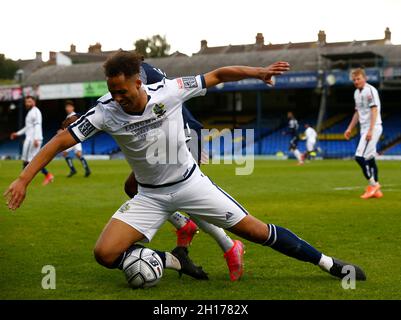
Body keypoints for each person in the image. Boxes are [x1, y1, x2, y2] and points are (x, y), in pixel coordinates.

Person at [5, 51, 366, 286]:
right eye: (111, 91)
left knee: (258, 231)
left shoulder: (170, 90)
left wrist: (259, 72)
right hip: (150, 196)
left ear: (138, 82)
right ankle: (173, 262)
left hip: (192, 184)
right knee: (105, 254)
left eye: (122, 91)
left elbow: (218, 74)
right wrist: (24, 178)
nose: (117, 97)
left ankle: (330, 264)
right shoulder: (104, 111)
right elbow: (60, 141)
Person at [62, 61, 245, 281]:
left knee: (183, 192)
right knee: (132, 186)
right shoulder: (134, 72)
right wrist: (81, 120)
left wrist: (80, 118)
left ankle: (228, 245)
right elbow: (114, 106)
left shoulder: (138, 72)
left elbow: (127, 106)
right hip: (164, 141)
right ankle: (183, 224)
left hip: (182, 136)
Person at [344, 68, 383, 199]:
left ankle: (373, 185)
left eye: (358, 79)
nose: (356, 81)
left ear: (364, 78)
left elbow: (374, 110)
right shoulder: (356, 93)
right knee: (370, 158)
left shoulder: (370, 90)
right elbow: (357, 112)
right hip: (364, 128)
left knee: (359, 157)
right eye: (354, 80)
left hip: (373, 127)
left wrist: (371, 130)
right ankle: (376, 191)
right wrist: (349, 128)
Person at [9, 96, 54, 185]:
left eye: (29, 101)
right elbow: (28, 127)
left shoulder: (36, 112)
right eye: (26, 102)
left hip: (33, 139)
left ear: (34, 102)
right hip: (30, 139)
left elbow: (37, 125)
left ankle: (23, 180)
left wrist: (36, 138)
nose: (27, 103)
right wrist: (17, 133)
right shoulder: (30, 113)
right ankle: (24, 179)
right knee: (28, 160)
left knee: (30, 160)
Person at [59, 100, 91, 177]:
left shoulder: (74, 116)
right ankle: (75, 169)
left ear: (73, 107)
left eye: (69, 107)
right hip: (71, 137)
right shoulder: (68, 116)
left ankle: (85, 169)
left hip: (74, 137)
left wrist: (62, 131)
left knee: (77, 154)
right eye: (67, 107)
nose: (68, 108)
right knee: (67, 153)